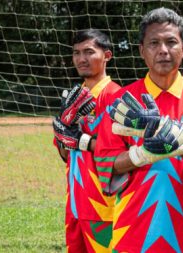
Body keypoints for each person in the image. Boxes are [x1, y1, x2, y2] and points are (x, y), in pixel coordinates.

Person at [94, 7, 183, 253]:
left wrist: (182, 144)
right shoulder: (121, 101)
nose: (163, 50)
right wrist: (141, 155)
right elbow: (105, 160)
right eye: (154, 43)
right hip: (132, 235)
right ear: (141, 51)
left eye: (171, 42)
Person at [52, 28, 121, 253]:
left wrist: (81, 139)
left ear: (107, 56)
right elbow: (65, 154)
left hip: (104, 208)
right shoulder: (73, 96)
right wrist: (63, 133)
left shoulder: (116, 96)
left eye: (89, 52)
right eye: (76, 53)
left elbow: (120, 153)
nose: (81, 59)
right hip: (74, 205)